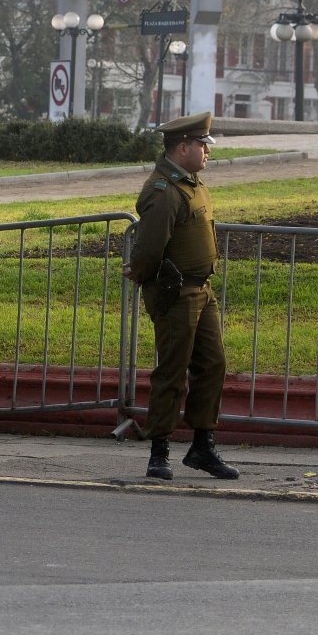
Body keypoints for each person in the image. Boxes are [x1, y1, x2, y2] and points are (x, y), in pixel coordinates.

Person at [124, 111, 239, 481]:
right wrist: (140, 272)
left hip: (201, 290)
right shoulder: (164, 190)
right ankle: (159, 452)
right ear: (183, 147)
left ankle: (202, 446)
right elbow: (150, 246)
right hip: (176, 293)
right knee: (172, 372)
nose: (208, 151)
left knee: (213, 364)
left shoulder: (192, 183)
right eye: (202, 145)